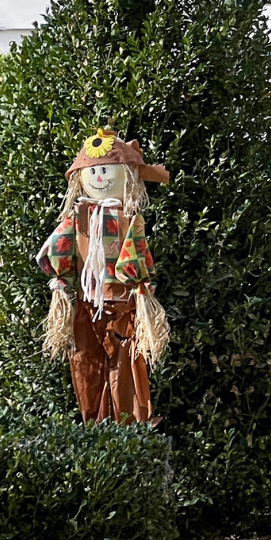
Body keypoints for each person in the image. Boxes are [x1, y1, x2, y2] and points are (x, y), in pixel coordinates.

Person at [37, 127, 171, 423]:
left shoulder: (128, 217)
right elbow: (58, 248)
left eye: (105, 170)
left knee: (126, 361)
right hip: (86, 302)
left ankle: (129, 424)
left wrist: (137, 284)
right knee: (86, 360)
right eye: (93, 170)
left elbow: (135, 253)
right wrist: (60, 280)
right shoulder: (78, 216)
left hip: (122, 304)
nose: (98, 177)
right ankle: (95, 423)